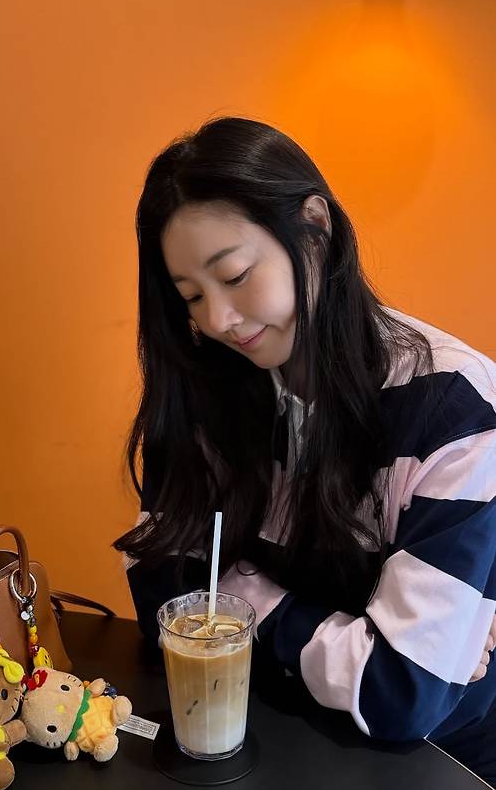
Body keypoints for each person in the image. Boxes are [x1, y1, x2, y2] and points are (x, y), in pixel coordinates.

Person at [112, 117, 496, 784]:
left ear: (314, 229)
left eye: (235, 275)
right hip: (257, 726)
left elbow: (399, 692)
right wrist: (355, 635)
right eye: (191, 296)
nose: (217, 320)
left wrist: (231, 601)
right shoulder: (206, 386)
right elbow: (160, 588)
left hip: (437, 760)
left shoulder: (449, 405)